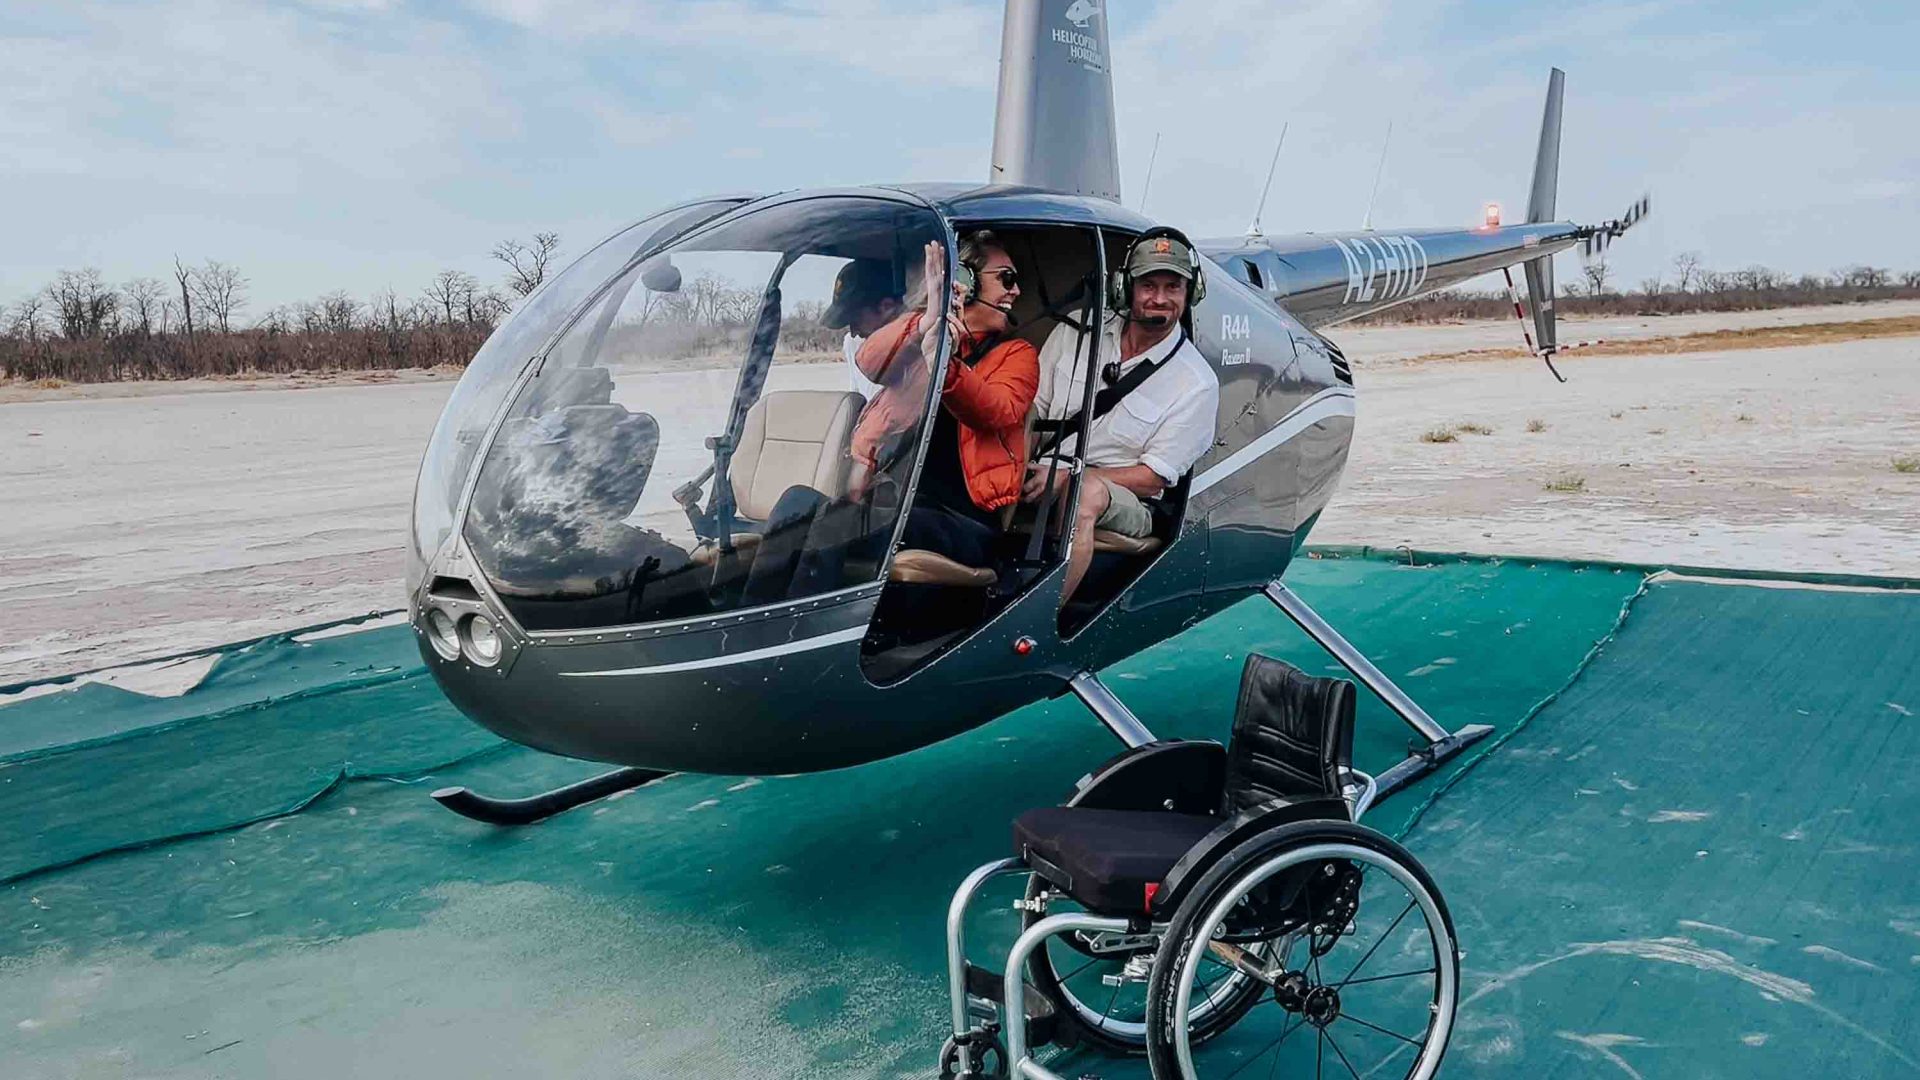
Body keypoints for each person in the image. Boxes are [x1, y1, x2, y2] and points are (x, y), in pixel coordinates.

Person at [1026, 228, 1220, 605]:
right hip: (1045, 473)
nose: (1160, 299)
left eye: (1173, 287)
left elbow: (1152, 478)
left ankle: (1043, 614)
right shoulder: (1075, 331)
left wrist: (1069, 477)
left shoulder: (1196, 382)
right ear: (1124, 288)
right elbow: (1032, 410)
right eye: (1148, 285)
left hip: (1122, 497)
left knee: (1085, 493)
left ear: (1190, 293)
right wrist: (1015, 463)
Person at [847, 230, 1037, 569]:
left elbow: (996, 411)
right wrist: (924, 323)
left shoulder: (1016, 354)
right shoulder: (923, 339)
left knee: (863, 526)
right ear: (968, 283)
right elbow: (869, 362)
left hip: (967, 523)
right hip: (904, 506)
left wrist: (944, 366)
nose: (1016, 290)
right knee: (797, 505)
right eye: (1006, 279)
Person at [819, 259, 904, 398]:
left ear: (887, 307)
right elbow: (858, 398)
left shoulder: (924, 348)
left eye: (856, 321)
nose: (853, 333)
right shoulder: (853, 344)